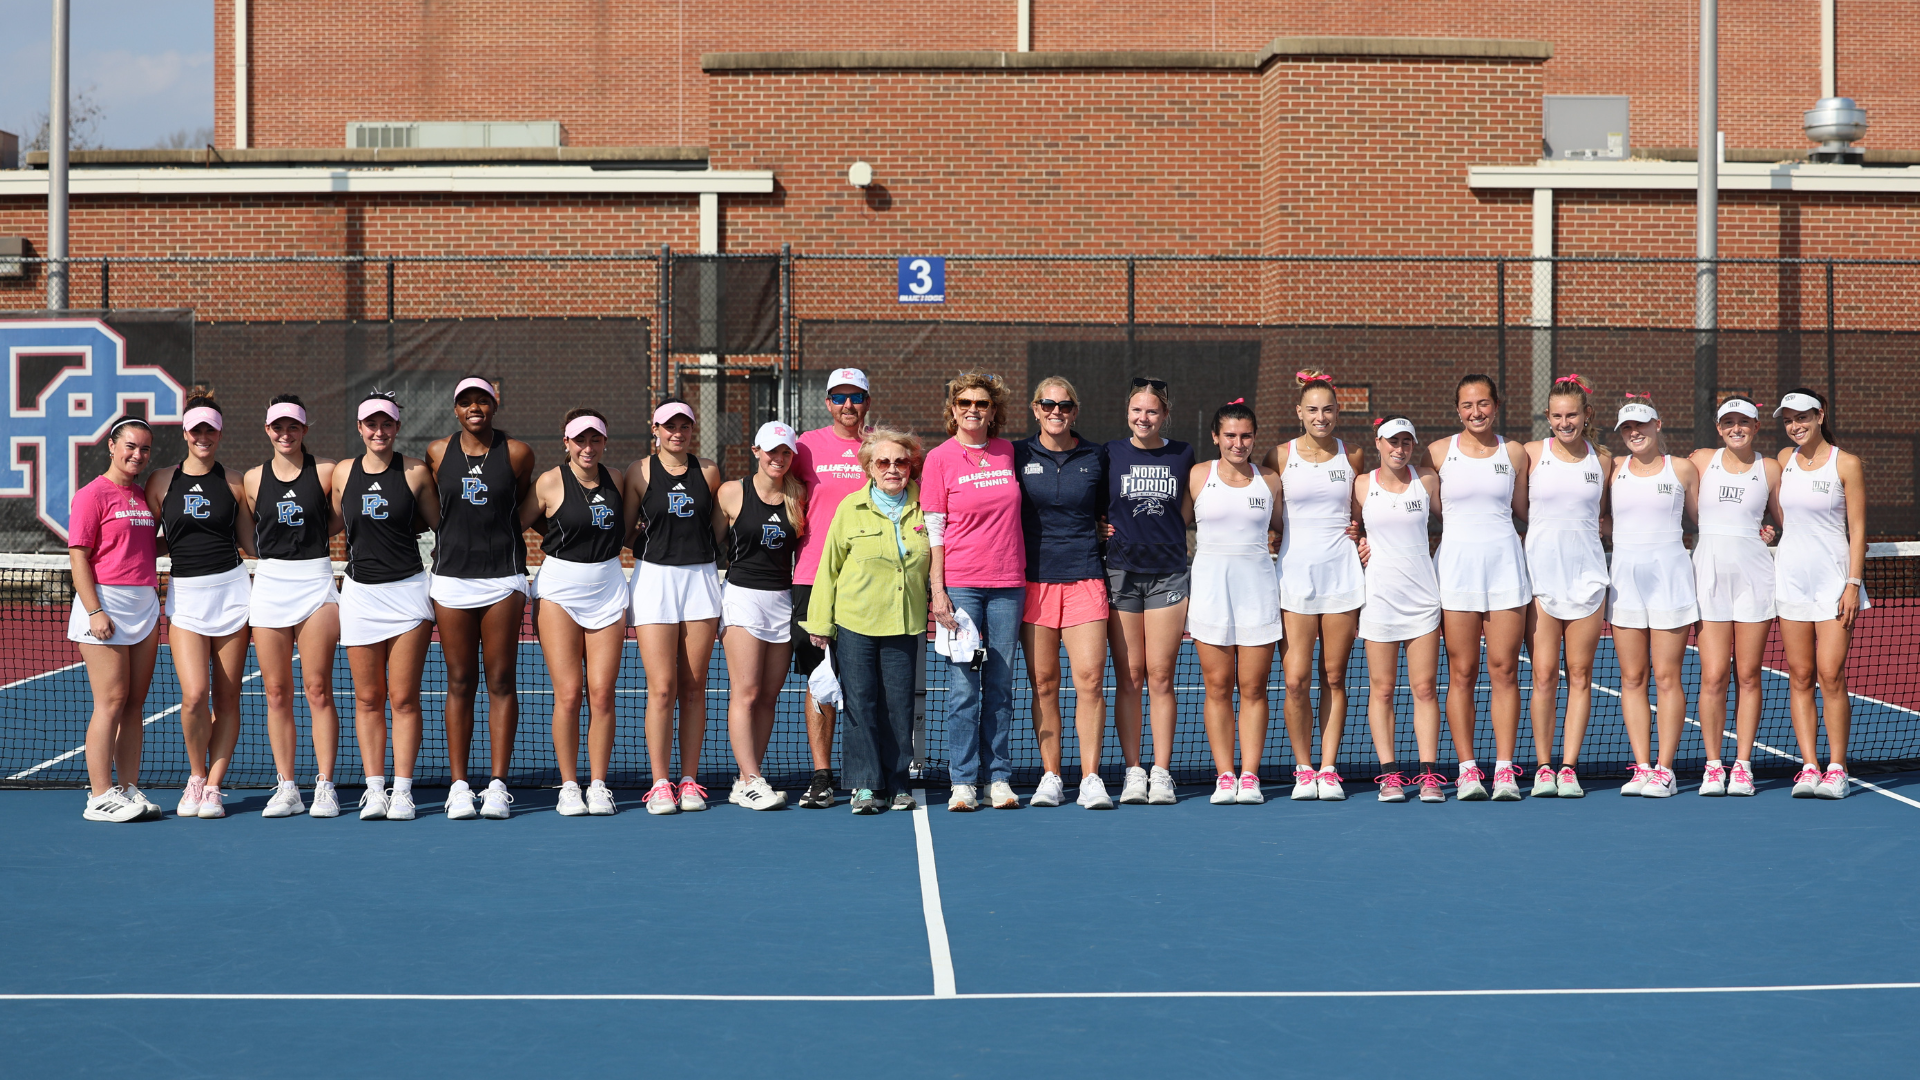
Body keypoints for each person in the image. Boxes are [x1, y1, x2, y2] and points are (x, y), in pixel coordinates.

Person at [803, 428, 931, 814]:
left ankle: (897, 784)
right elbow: (829, 566)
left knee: (898, 706)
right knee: (860, 703)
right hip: (855, 621)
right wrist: (820, 623)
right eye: (883, 462)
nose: (893, 469)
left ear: (911, 467)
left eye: (901, 462)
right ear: (869, 468)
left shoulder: (927, 504)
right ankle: (864, 785)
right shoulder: (849, 507)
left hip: (903, 622)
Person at [426, 377, 536, 820]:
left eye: (483, 401)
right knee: (459, 680)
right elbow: (435, 508)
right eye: (466, 402)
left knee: (501, 680)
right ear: (455, 409)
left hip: (503, 578)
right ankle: (458, 786)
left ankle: (496, 786)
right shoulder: (437, 452)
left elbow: (521, 505)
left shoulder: (518, 453)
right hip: (452, 579)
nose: (475, 408)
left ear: (495, 405)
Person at [331, 391, 441, 821]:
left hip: (408, 593)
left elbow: (440, 523)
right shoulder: (343, 472)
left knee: (404, 698)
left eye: (387, 424)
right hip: (360, 595)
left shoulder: (415, 472)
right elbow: (331, 521)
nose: (379, 431)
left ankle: (403, 791)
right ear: (360, 428)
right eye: (371, 424)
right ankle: (375, 790)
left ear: (397, 427)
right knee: (368, 698)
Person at [149, 390, 254, 819]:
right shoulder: (161, 481)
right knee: (194, 696)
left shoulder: (235, 482)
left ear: (220, 432)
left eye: (210, 430)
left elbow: (250, 543)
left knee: (227, 699)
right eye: (196, 430)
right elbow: (148, 539)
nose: (203, 437)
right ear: (185, 433)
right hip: (186, 597)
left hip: (232, 593)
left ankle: (213, 786)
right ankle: (196, 775)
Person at [1427, 374, 1531, 800]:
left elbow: (1526, 509)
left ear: (1496, 405)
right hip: (1456, 572)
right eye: (1468, 405)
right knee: (1463, 672)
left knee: (1505, 670)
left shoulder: (1515, 452)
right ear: (1457, 410)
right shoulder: (1437, 453)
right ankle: (1467, 770)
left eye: (1484, 403)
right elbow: (1416, 506)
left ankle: (1504, 770)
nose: (1476, 412)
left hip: (1505, 568)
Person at [926, 372, 1026, 812]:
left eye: (981, 403)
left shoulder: (1009, 453)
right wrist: (938, 590)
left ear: (993, 410)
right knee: (964, 688)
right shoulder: (939, 458)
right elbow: (935, 529)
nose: (973, 409)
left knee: (1000, 686)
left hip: (1008, 585)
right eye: (964, 402)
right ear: (953, 409)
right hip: (962, 586)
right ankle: (963, 781)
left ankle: (998, 778)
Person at [520, 409, 627, 817]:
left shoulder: (617, 479)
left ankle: (598, 785)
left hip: (608, 589)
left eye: (595, 439)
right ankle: (568, 786)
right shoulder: (550, 482)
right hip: (559, 592)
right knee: (568, 694)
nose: (588, 447)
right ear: (566, 442)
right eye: (580, 439)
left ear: (604, 442)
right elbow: (515, 523)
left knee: (602, 694)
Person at [1264, 370, 1365, 802]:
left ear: (1337, 412)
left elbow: (1361, 510)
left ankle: (1328, 767)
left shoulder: (1354, 455)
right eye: (1312, 410)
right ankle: (1304, 768)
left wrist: (1362, 535)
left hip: (1342, 576)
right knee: (1295, 680)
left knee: (1334, 677)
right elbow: (1267, 510)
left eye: (1327, 409)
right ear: (1299, 412)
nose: (1320, 417)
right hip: (1294, 578)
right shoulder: (1279, 456)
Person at [1014, 376, 1113, 809]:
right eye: (1048, 404)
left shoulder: (1096, 456)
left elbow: (1111, 509)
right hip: (1033, 583)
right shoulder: (1016, 454)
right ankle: (1051, 776)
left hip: (1085, 578)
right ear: (1035, 408)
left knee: (1090, 680)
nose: (1057, 411)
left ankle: (1091, 778)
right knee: (1044, 684)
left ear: (1075, 411)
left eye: (1065, 405)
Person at [242, 395, 342, 820]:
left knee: (317, 689)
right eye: (278, 427)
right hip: (270, 584)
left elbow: (336, 520)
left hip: (316, 581)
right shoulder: (252, 479)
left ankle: (324, 786)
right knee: (277, 693)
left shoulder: (327, 471)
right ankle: (287, 788)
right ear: (268, 430)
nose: (286, 434)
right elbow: (251, 532)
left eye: (293, 426)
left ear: (304, 429)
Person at [623, 398, 725, 816]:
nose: (677, 433)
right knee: (662, 688)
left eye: (684, 426)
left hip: (701, 580)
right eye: (669, 426)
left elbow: (718, 530)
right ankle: (660, 783)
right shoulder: (639, 471)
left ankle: (689, 780)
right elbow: (626, 530)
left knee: (694, 686)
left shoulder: (710, 471)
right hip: (654, 581)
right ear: (656, 429)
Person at [1773, 388, 1868, 800]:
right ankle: (1810, 766)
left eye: (1802, 417)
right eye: (1788, 419)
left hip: (1834, 582)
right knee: (1800, 676)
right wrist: (1770, 530)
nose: (1795, 425)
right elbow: (1783, 515)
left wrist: (1853, 583)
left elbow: (1858, 530)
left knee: (1830, 674)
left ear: (1820, 415)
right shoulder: (1783, 459)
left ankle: (1837, 768)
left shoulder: (1846, 463)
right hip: (1791, 579)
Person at [1104, 378, 1194, 806]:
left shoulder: (1183, 454)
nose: (1144, 418)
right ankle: (1134, 771)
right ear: (1127, 413)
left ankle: (1161, 772)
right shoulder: (1109, 454)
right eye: (1137, 410)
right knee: (1130, 676)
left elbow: (1188, 508)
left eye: (1152, 411)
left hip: (1168, 575)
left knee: (1160, 676)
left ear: (1165, 415)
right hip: (1120, 573)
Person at [1187, 400, 1283, 804]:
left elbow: (1289, 529)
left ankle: (1250, 776)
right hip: (1210, 595)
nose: (1238, 443)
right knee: (1217, 687)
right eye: (1230, 435)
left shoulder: (1270, 481)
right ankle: (1225, 775)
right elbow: (1171, 524)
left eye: (1245, 436)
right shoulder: (1198, 476)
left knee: (1254, 687)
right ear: (1215, 437)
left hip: (1258, 594)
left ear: (1254, 438)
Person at [69, 417, 164, 822]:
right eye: (130, 446)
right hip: (105, 604)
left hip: (145, 604)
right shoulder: (91, 495)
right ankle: (99, 796)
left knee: (134, 703)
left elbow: (144, 547)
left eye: (144, 449)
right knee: (110, 701)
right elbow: (78, 556)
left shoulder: (142, 496)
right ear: (111, 446)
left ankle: (127, 788)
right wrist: (95, 611)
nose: (137, 455)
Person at [1521, 374, 1611, 799]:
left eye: (1572, 415)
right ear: (1547, 416)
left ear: (1586, 414)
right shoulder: (1530, 454)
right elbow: (1514, 506)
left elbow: (1607, 516)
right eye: (1557, 416)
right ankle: (1543, 767)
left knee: (1580, 675)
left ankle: (1569, 767)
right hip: (1540, 580)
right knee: (1543, 676)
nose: (1564, 422)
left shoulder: (1604, 461)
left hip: (1589, 579)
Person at [1689, 396, 1782, 797]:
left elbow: (1784, 518)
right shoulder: (1700, 460)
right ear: (1718, 427)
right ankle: (1713, 766)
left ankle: (1742, 765)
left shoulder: (1770, 468)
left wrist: (1770, 532)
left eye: (1743, 422)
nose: (1736, 428)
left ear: (1756, 426)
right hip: (1707, 577)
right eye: (1728, 422)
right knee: (1713, 676)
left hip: (1754, 579)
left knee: (1748, 675)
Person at [1608, 394, 1700, 799]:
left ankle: (1665, 770)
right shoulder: (1612, 469)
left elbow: (1704, 520)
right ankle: (1642, 766)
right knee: (1632, 678)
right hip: (1624, 583)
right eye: (1627, 428)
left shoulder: (1682, 469)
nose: (1635, 433)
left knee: (1666, 677)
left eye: (1641, 425)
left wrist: (1758, 531)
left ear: (1657, 425)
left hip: (1670, 581)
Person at [790, 368, 873, 809]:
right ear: (827, 403)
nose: (847, 405)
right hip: (812, 579)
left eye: (855, 396)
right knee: (819, 681)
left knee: (864, 680)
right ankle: (822, 776)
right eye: (839, 397)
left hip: (868, 582)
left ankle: (864, 775)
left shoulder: (881, 448)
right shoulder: (805, 446)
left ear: (867, 401)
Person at [1352, 416, 1444, 803]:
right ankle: (1389, 775)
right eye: (1392, 441)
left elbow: (1456, 523)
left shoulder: (1428, 481)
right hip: (1379, 601)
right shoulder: (1361, 484)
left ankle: (1429, 775)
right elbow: (1346, 528)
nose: (1399, 449)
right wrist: (1357, 544)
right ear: (1378, 442)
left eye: (1406, 442)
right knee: (1383, 690)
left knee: (1424, 689)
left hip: (1423, 600)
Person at [717, 421, 805, 811]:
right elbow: (708, 543)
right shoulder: (731, 492)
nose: (778, 458)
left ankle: (745, 780)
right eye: (771, 451)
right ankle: (753, 779)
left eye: (786, 452)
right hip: (742, 598)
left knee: (769, 696)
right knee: (747, 693)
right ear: (756, 451)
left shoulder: (799, 496)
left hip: (782, 601)